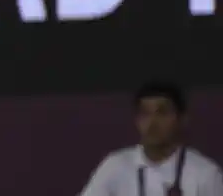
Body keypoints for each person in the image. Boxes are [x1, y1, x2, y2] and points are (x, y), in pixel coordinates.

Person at [78, 83, 223, 196]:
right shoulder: (115, 166)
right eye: (145, 114)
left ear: (182, 119)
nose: (152, 123)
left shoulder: (205, 174)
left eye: (162, 112)